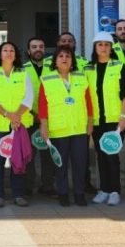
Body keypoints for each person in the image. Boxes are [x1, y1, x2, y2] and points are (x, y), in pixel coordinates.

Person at [38, 46, 92, 207]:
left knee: (80, 164)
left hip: (79, 128)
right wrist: (44, 126)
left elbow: (88, 102)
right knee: (60, 164)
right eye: (60, 56)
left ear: (72, 60)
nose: (64, 59)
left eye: (67, 56)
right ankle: (63, 193)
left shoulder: (81, 78)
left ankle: (79, 194)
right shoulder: (46, 79)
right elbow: (42, 105)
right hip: (58, 128)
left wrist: (90, 122)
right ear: (55, 60)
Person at [86, 32, 125, 206]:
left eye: (107, 45)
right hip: (97, 120)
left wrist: (123, 117)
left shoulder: (119, 66)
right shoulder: (88, 69)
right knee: (100, 155)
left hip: (115, 120)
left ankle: (114, 191)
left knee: (111, 155)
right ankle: (103, 190)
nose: (103, 48)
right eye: (100, 45)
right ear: (95, 48)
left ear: (111, 47)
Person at [0, 41, 34, 208]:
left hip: (19, 124)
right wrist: (9, 115)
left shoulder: (23, 74)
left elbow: (28, 98)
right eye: (5, 50)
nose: (8, 53)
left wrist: (17, 116)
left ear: (16, 54)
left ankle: (18, 194)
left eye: (12, 50)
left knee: (18, 160)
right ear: (0, 54)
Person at [24, 37, 56, 197]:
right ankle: (28, 186)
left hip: (49, 119)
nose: (38, 49)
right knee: (29, 155)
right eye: (34, 47)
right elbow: (18, 96)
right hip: (29, 118)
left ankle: (47, 186)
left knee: (48, 154)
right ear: (28, 51)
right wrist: (32, 114)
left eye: (41, 47)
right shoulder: (21, 69)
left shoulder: (53, 68)